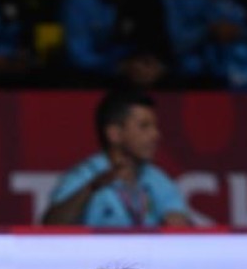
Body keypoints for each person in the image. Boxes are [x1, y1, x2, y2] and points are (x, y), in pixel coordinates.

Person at [41, 88, 190, 228]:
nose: (155, 135)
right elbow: (51, 225)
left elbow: (182, 224)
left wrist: (179, 223)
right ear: (115, 134)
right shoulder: (86, 175)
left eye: (155, 127)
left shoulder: (157, 178)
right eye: (144, 126)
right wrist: (91, 188)